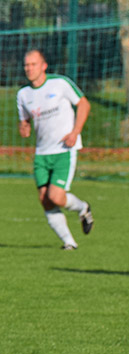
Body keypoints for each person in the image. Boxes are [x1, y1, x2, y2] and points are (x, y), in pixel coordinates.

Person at [16, 49, 94, 250]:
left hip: (64, 150)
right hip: (42, 153)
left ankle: (83, 208)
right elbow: (25, 121)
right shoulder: (23, 94)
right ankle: (69, 243)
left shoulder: (60, 83)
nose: (29, 68)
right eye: (26, 65)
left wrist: (75, 132)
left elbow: (84, 104)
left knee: (56, 196)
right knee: (45, 199)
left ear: (44, 66)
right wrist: (24, 127)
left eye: (33, 64)